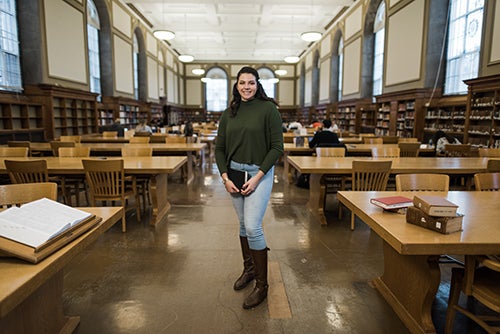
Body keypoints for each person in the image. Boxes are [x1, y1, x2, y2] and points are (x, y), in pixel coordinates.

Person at [215, 66, 284, 310]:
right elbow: (219, 149)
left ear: (258, 85)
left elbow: (277, 147)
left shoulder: (268, 110)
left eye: (251, 83)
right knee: (243, 224)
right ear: (236, 85)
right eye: (242, 82)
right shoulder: (228, 113)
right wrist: (225, 177)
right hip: (233, 173)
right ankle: (250, 270)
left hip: (259, 173)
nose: (246, 87)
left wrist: (257, 178)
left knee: (253, 226)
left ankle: (262, 286)